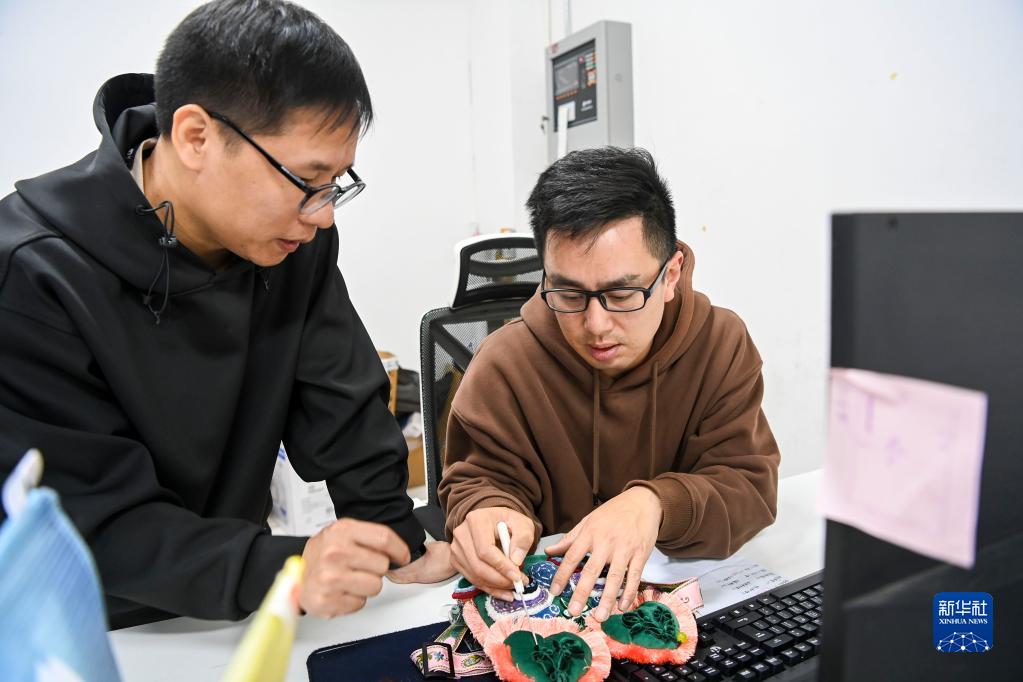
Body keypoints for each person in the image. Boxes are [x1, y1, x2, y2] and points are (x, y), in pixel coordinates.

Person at [0, 0, 450, 629]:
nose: (323, 214)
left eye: (337, 182)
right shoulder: (33, 270)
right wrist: (283, 569)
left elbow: (340, 401)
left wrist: (396, 537)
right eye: (308, 180)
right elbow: (91, 516)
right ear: (196, 137)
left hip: (229, 603)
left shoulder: (292, 243)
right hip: (88, 621)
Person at [439, 146, 780, 623]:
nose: (596, 325)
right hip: (550, 619)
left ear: (671, 274)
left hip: (684, 606)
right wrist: (487, 512)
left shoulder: (720, 343)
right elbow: (478, 481)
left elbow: (748, 487)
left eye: (622, 293)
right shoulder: (504, 362)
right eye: (568, 292)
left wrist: (655, 504)